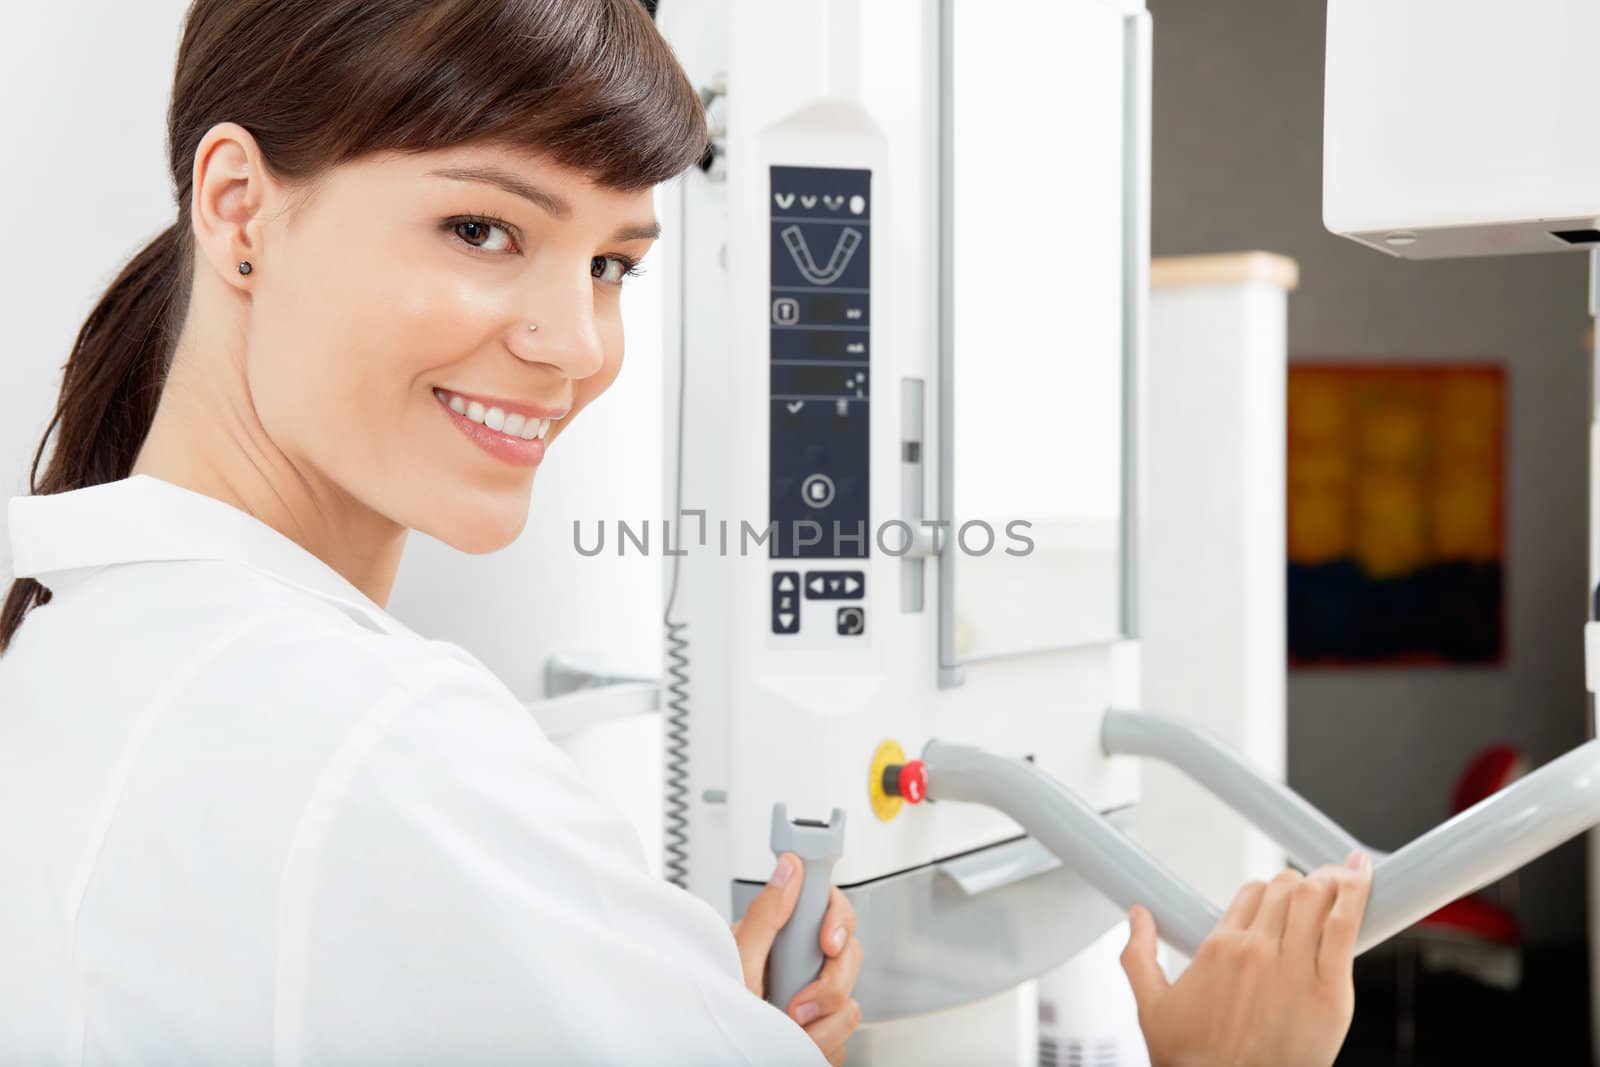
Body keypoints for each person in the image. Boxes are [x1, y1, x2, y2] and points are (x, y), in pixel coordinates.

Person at [0, 0, 1370, 1063]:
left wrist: (636, 1007)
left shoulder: (66, 637)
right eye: (482, 228)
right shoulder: (383, 741)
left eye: (611, 263)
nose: (572, 342)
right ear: (241, 208)